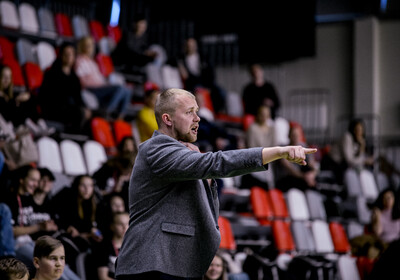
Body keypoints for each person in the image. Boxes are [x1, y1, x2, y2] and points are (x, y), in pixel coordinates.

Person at [114, 88, 316, 280]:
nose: (197, 118)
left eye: (197, 112)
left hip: (173, 264)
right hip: (151, 265)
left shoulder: (184, 152)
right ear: (167, 119)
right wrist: (279, 152)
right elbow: (216, 162)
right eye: (189, 112)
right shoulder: (155, 149)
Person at [39, 42, 93, 134]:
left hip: (71, 110)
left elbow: (78, 98)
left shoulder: (74, 77)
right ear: (61, 55)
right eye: (66, 54)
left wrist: (86, 108)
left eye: (71, 54)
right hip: (55, 109)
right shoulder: (52, 73)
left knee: (93, 114)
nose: (69, 56)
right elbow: (46, 97)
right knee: (78, 113)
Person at [75, 36, 132, 120]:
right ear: (82, 46)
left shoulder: (92, 62)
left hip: (100, 87)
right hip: (91, 89)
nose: (90, 48)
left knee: (127, 90)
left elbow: (99, 78)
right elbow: (81, 80)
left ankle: (120, 117)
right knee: (119, 88)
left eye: (91, 45)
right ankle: (106, 112)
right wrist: (101, 84)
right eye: (87, 45)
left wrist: (105, 84)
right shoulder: (80, 61)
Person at [176, 38, 227, 114]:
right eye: (189, 45)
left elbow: (210, 72)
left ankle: (219, 111)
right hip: (193, 84)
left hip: (206, 83)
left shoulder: (203, 57)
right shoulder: (182, 59)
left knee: (221, 92)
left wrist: (208, 87)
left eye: (192, 45)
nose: (191, 47)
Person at [321, 118, 375, 185]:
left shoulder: (359, 141)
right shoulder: (347, 137)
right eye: (357, 129)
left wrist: (362, 147)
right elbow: (349, 160)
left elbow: (358, 159)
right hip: (331, 163)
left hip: (341, 165)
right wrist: (364, 161)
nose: (359, 132)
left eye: (361, 130)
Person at [273, 121, 319, 192]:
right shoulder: (282, 148)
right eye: (293, 135)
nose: (296, 138)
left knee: (311, 172)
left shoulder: (303, 146)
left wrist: (312, 174)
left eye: (298, 135)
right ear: (289, 136)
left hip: (301, 178)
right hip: (285, 179)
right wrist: (304, 177)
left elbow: (312, 164)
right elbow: (290, 169)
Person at [242, 104, 277, 190]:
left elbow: (275, 145)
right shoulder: (253, 128)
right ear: (258, 115)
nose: (264, 117)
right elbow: (251, 147)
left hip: (269, 159)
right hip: (256, 158)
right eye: (262, 114)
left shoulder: (272, 129)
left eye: (266, 114)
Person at [93, 211, 129, 280]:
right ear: (112, 226)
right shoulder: (103, 247)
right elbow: (103, 277)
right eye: (120, 224)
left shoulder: (133, 245)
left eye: (127, 223)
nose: (124, 227)